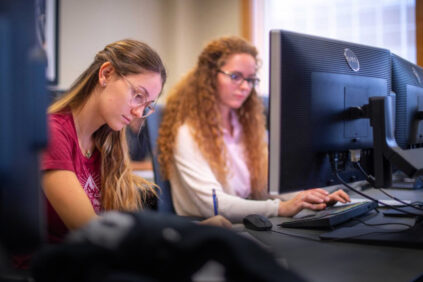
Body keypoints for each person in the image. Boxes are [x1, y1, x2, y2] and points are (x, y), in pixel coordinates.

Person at [41, 39, 231, 247]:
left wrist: (193, 230)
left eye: (147, 105)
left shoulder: (105, 141)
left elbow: (120, 228)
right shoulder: (53, 133)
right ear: (106, 74)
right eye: (138, 96)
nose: (139, 112)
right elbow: (96, 233)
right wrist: (186, 233)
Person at [157, 36, 350, 222]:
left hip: (244, 222)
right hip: (208, 227)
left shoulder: (247, 128)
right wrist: (279, 207)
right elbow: (212, 204)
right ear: (208, 78)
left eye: (250, 79)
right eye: (235, 76)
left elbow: (266, 185)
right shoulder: (188, 134)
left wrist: (311, 196)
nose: (245, 87)